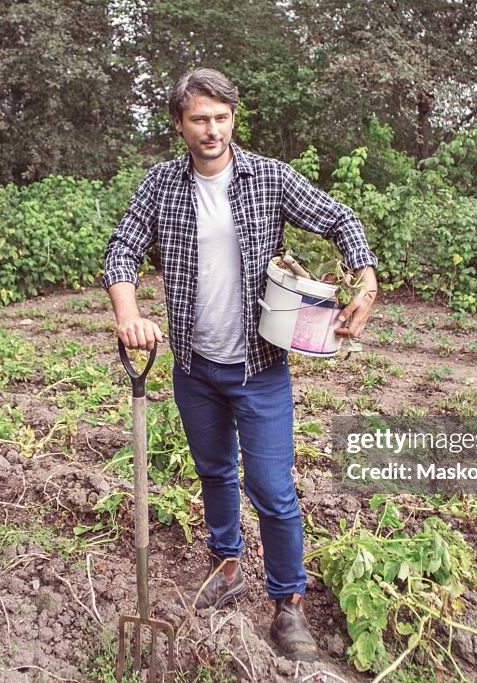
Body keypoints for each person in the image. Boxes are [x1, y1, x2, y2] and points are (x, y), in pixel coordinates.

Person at [102, 67, 378, 663]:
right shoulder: (161, 186)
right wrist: (129, 314)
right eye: (199, 118)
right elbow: (122, 247)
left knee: (274, 489)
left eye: (221, 118)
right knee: (214, 472)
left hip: (260, 367)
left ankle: (289, 603)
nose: (212, 130)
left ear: (233, 118)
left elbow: (341, 219)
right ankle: (227, 567)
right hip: (194, 366)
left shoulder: (268, 178)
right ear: (179, 123)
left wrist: (366, 280)